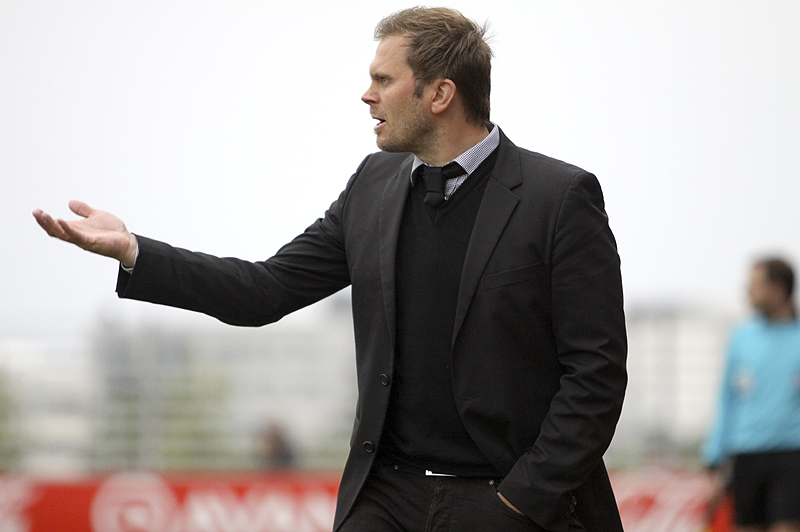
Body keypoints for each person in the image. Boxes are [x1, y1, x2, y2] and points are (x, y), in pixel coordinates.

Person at [33, 7, 627, 532]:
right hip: (385, 498)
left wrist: (521, 501)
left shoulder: (559, 198)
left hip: (504, 503)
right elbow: (262, 290)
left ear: (440, 94)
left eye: (383, 80)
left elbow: (596, 373)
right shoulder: (372, 185)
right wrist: (134, 250)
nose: (367, 95)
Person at [703, 258, 800, 532]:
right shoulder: (741, 338)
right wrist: (714, 459)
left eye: (755, 285)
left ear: (778, 289)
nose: (747, 291)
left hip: (791, 453)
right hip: (746, 453)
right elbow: (727, 399)